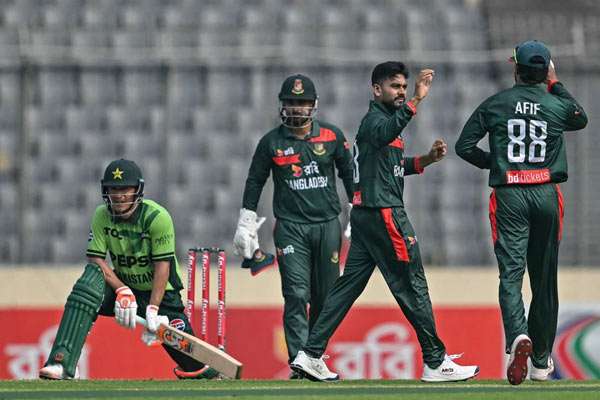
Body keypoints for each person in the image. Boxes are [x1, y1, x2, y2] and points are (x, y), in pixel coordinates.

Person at [291, 62, 479, 382]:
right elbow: (384, 133)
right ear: (377, 90)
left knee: (348, 287)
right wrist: (416, 100)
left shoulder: (382, 124)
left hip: (368, 216)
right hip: (384, 214)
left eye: (404, 87)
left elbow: (391, 166)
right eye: (395, 86)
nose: (401, 92)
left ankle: (310, 354)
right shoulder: (375, 122)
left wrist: (426, 160)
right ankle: (435, 361)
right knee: (412, 285)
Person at [455, 40, 587, 385]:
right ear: (545, 71)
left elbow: (464, 146)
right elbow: (581, 118)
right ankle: (541, 362)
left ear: (516, 69)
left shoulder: (496, 103)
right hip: (545, 193)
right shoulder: (557, 104)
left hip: (510, 195)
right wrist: (556, 83)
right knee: (545, 282)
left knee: (511, 276)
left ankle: (517, 335)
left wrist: (497, 163)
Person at [39, 159, 219, 380]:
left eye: (125, 189)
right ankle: (62, 362)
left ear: (138, 190)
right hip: (124, 289)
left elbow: (162, 266)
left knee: (194, 366)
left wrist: (153, 309)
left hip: (161, 295)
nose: (119, 195)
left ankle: (210, 374)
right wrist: (122, 290)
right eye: (113, 189)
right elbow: (95, 258)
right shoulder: (101, 215)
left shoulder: (157, 217)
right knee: (89, 282)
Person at [233, 74, 354, 378]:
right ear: (282, 105)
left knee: (326, 298)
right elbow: (255, 180)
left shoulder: (332, 136)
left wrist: (357, 208)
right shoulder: (271, 142)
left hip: (327, 225)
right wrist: (246, 219)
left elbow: (348, 172)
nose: (297, 108)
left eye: (303, 102)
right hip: (291, 228)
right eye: (291, 102)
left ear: (313, 105)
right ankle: (299, 362)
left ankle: (313, 356)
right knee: (297, 294)